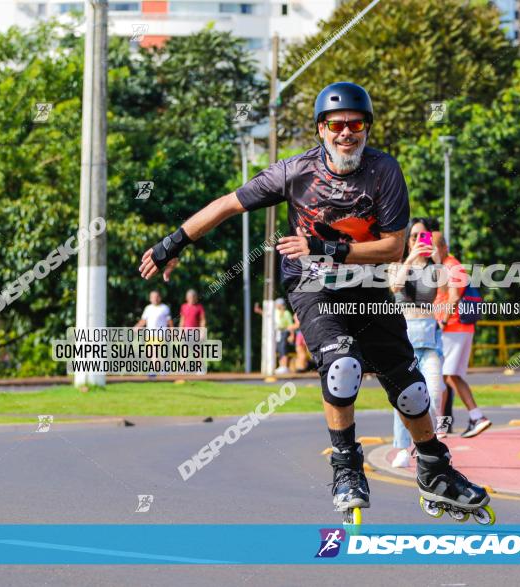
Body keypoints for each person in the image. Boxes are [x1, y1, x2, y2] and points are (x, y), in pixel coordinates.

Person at [137, 82, 490, 520]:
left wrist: (328, 248)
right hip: (314, 288)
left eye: (356, 125)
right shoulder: (294, 172)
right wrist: (171, 244)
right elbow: (227, 204)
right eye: (338, 125)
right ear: (322, 129)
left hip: (368, 286)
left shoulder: (384, 171)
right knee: (343, 367)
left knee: (412, 388)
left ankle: (435, 470)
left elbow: (393, 249)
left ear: (366, 129)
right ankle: (346, 468)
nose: (347, 133)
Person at [388, 218, 448, 467]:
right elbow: (395, 286)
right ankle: (403, 448)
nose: (418, 240)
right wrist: (411, 258)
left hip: (430, 339)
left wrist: (435, 257)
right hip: (405, 339)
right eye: (414, 236)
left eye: (423, 236)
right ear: (406, 240)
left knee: (434, 394)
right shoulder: (397, 265)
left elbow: (444, 287)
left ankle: (425, 446)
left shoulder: (436, 268)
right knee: (403, 396)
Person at [433, 234, 491, 438]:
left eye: (434, 249)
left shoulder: (451, 265)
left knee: (443, 375)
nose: (432, 254)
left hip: (454, 327)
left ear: (444, 247)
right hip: (458, 328)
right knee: (451, 376)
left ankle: (443, 424)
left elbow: (455, 296)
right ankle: (475, 417)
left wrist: (443, 321)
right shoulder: (446, 266)